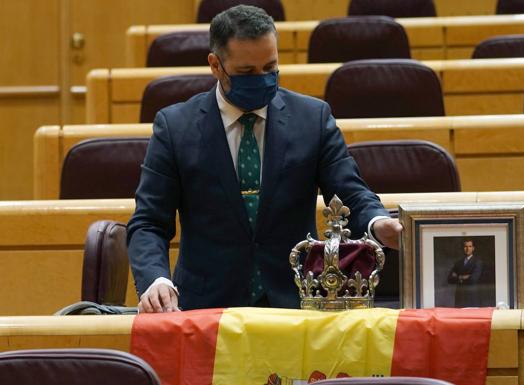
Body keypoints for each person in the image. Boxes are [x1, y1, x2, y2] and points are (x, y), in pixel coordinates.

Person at [127, 5, 402, 313]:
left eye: (270, 68)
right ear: (216, 65)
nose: (261, 79)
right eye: (247, 72)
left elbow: (351, 193)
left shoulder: (311, 119)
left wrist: (379, 223)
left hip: (296, 303)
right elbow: (149, 222)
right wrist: (156, 280)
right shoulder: (176, 128)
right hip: (205, 309)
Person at [447, 238, 483, 307]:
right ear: (463, 248)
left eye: (470, 246)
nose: (467, 249)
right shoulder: (458, 263)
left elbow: (473, 279)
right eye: (465, 246)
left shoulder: (477, 262)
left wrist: (458, 277)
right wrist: (464, 277)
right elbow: (450, 279)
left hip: (472, 297)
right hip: (460, 298)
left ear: (473, 248)